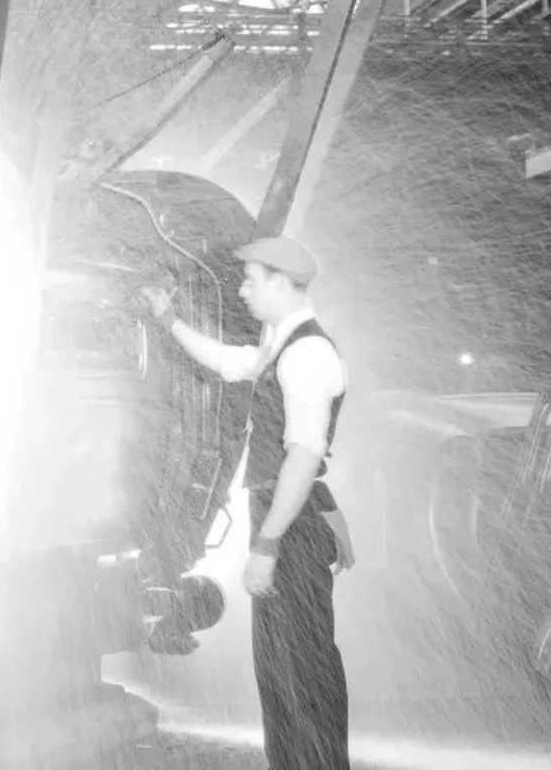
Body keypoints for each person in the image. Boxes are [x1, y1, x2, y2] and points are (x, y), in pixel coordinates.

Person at [143, 235, 351, 770]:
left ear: (282, 284)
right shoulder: (281, 347)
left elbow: (304, 458)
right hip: (291, 522)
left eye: (252, 280)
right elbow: (226, 361)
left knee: (300, 672)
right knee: (282, 673)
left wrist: (267, 544)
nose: (242, 290)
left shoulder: (308, 353)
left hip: (289, 532)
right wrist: (167, 319)